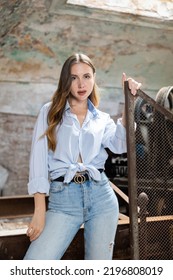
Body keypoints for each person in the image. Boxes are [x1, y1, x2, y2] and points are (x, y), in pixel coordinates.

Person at [23, 53, 141, 260]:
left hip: (101, 198)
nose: (81, 84)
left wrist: (128, 103)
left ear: (94, 78)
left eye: (86, 76)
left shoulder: (102, 119)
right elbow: (38, 162)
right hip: (63, 201)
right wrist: (39, 211)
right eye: (74, 77)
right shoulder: (49, 113)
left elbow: (121, 145)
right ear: (65, 81)